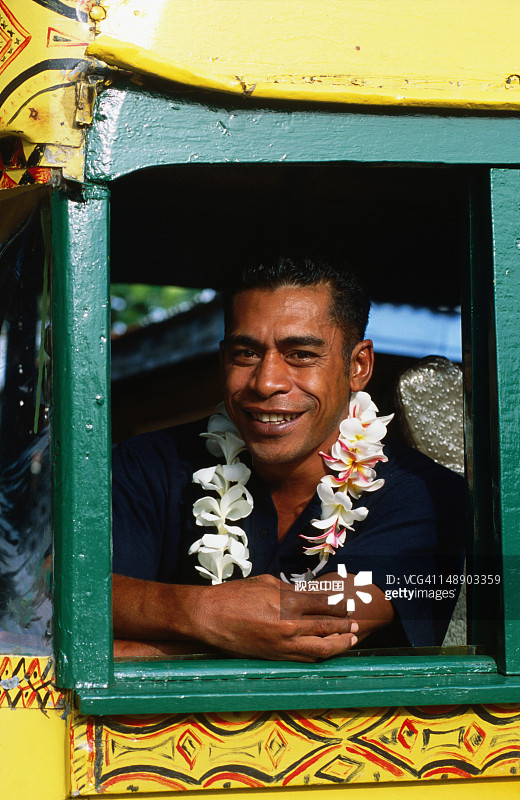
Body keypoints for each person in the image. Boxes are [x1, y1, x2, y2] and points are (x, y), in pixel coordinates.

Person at [112, 257, 465, 660]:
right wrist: (201, 611)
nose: (266, 383)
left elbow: (320, 625)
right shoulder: (145, 465)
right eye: (246, 353)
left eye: (300, 354)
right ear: (223, 357)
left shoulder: (429, 496)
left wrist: (140, 641)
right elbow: (66, 593)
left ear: (358, 365)